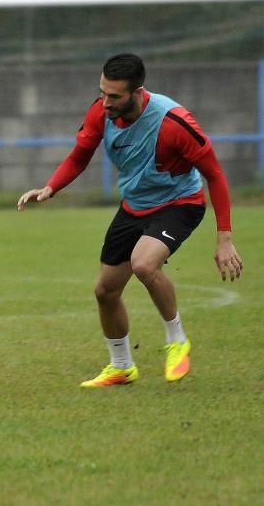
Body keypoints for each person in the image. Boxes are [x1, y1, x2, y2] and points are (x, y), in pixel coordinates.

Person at [17, 53, 243, 388]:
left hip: (179, 203)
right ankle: (122, 366)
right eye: (102, 92)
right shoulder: (100, 111)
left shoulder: (174, 123)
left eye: (114, 96)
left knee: (144, 264)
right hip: (135, 205)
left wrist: (224, 237)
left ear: (138, 92)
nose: (105, 102)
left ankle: (177, 340)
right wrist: (51, 187)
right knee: (105, 291)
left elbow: (215, 175)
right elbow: (80, 155)